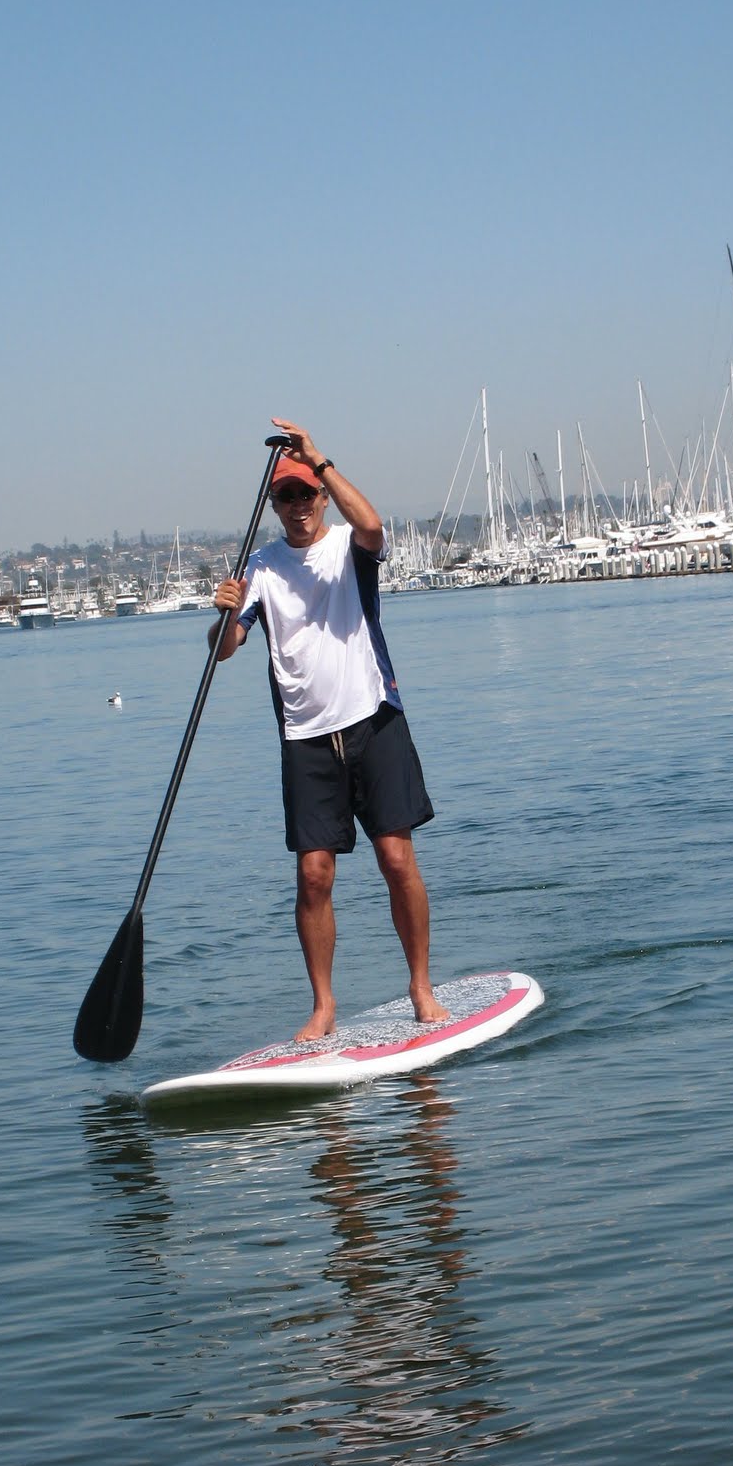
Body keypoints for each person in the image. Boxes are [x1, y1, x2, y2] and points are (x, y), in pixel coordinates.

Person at [210, 417, 449, 1043]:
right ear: (274, 504)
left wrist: (319, 461)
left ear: (319, 494)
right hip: (305, 737)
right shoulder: (259, 569)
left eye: (306, 493)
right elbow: (226, 649)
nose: (298, 506)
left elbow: (373, 527)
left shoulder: (347, 545)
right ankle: (323, 1007)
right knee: (314, 874)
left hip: (374, 719)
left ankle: (421, 985)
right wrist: (224, 617)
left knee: (396, 858)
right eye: (285, 496)